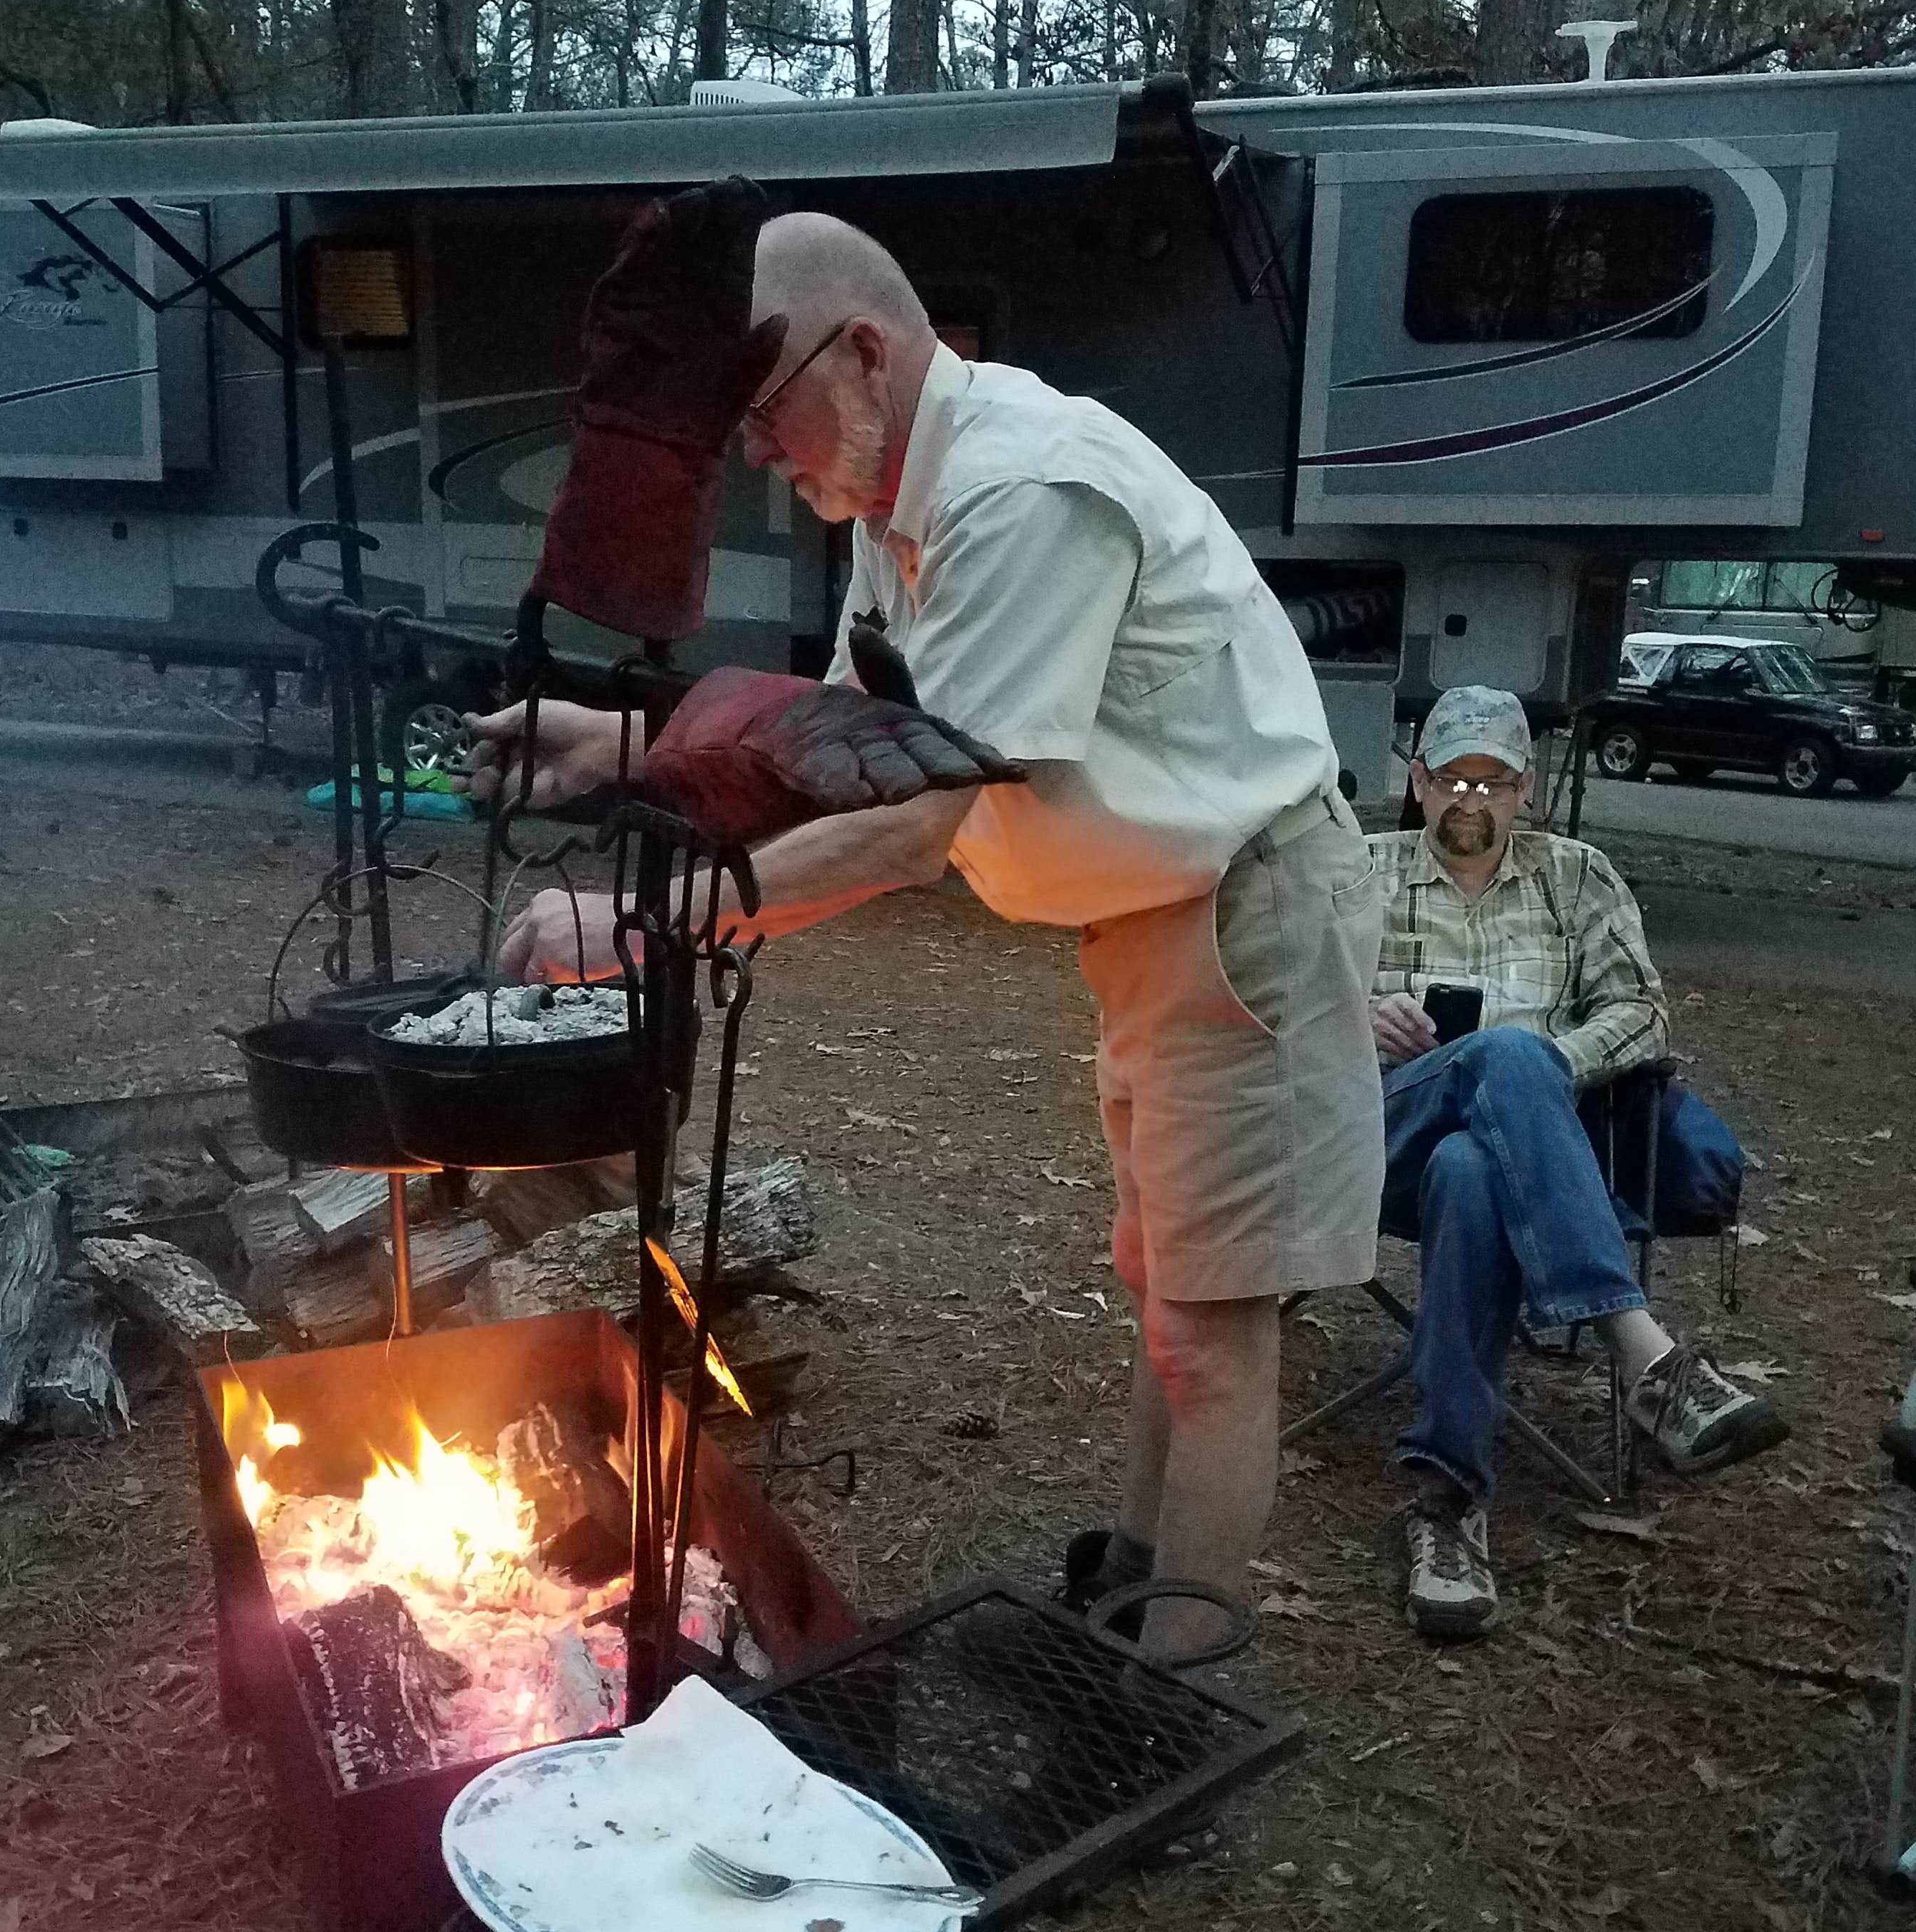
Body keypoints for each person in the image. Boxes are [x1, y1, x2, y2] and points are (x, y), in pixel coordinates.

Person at [475, 209, 1386, 1660]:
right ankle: (1135, 1612)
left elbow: (911, 820)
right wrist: (624, 736)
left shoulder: (1022, 491)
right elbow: (844, 743)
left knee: (1215, 1330)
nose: (759, 455)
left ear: (868, 353)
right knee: (1173, 1293)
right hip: (1161, 916)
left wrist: (646, 923)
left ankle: (1165, 1695)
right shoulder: (904, 500)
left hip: (1250, 907)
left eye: (764, 413)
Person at [1368, 687, 1788, 1640]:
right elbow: (1276, 997)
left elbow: (1642, 1012)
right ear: (1419, 781)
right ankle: (1646, 1356)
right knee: (1502, 1061)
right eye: (1452, 778)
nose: (1470, 799)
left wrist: (1550, 1066)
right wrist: (1355, 1018)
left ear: (1527, 794)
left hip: (1513, 1156)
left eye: (1496, 781)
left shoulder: (1579, 878)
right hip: (1379, 1138)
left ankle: (1447, 1506)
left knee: (1478, 1164)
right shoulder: (1361, 872)